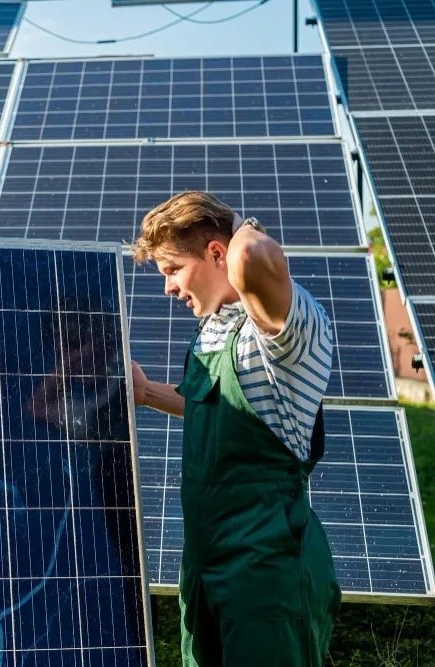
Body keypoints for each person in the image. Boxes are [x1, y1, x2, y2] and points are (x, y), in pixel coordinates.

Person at [130, 192, 341, 666]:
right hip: (206, 564)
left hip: (265, 570)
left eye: (172, 270)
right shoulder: (213, 328)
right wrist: (146, 393)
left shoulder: (283, 331)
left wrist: (239, 228)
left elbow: (251, 257)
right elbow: (218, 407)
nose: (167, 288)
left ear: (216, 254)